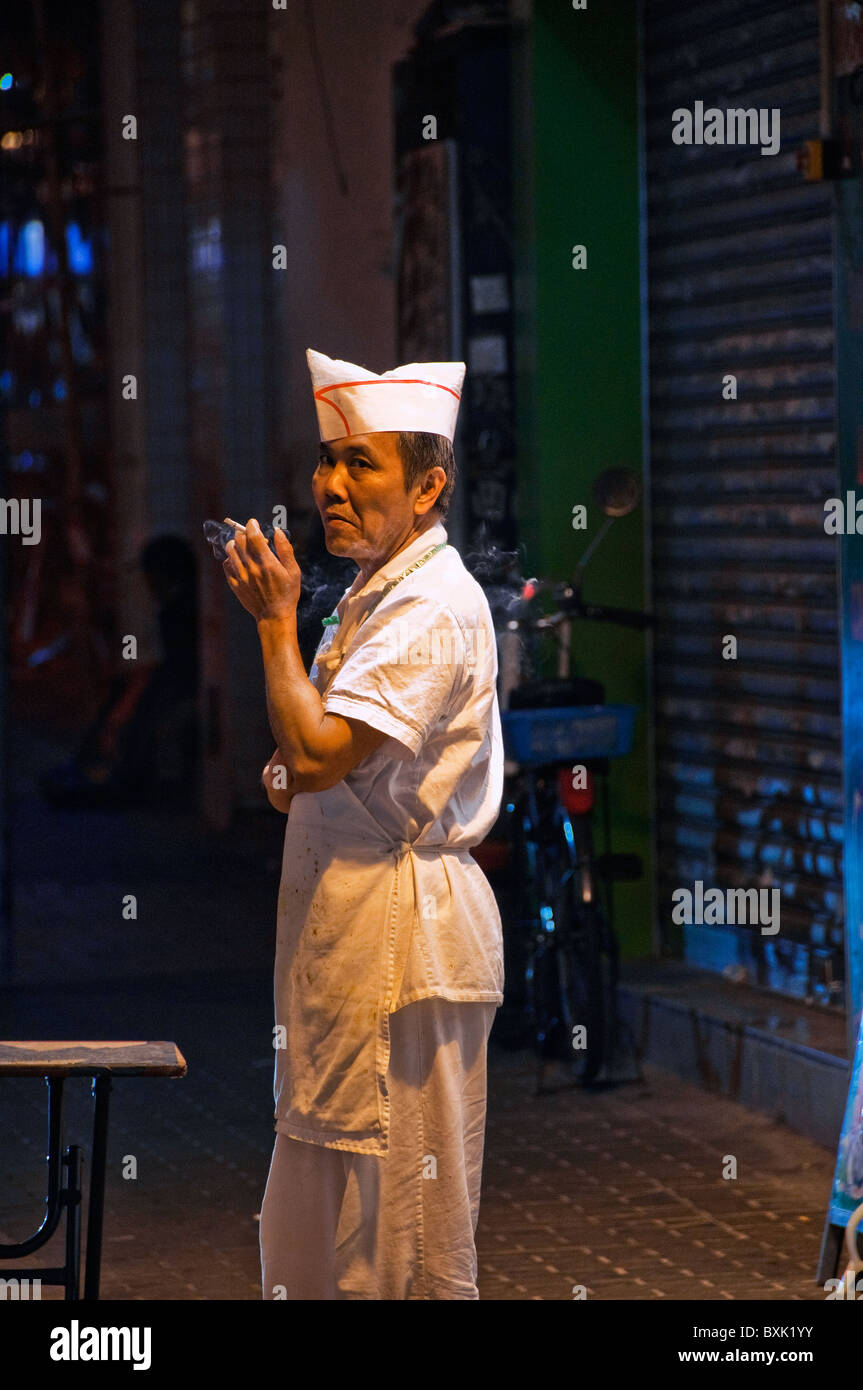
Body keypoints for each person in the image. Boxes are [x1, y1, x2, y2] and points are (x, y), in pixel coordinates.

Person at [221, 348, 504, 1299]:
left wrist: (273, 622)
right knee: (324, 1206)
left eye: (360, 465)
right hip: (347, 940)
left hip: (404, 946)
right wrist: (301, 758)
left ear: (428, 486)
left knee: (397, 1241)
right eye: (326, 462)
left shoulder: (431, 605)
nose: (330, 486)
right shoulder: (371, 595)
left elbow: (308, 759)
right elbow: (299, 766)